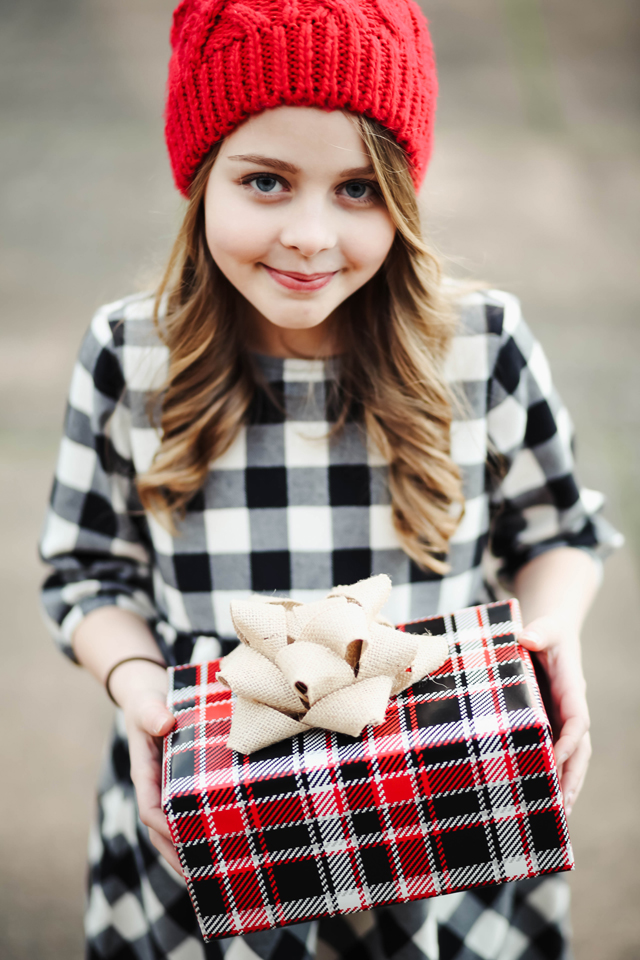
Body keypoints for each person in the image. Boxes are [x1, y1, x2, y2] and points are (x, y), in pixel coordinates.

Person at [39, 1, 620, 958]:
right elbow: (85, 573)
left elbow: (558, 531)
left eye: (358, 189)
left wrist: (549, 630)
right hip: (218, 828)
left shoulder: (480, 348)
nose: (310, 233)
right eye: (266, 180)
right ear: (198, 177)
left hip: (442, 810)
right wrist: (139, 685)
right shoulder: (128, 356)